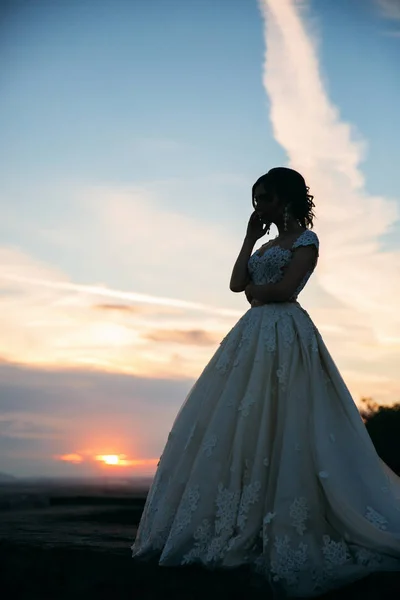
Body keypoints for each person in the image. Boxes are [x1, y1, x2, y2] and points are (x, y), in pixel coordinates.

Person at [131, 167, 400, 598]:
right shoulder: (267, 243)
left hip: (286, 335)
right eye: (256, 201)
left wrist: (259, 292)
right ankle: (241, 521)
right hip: (251, 336)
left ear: (287, 199)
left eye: (266, 199)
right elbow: (238, 283)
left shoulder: (306, 241)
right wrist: (249, 238)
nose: (261, 207)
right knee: (241, 420)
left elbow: (287, 290)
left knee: (289, 419)